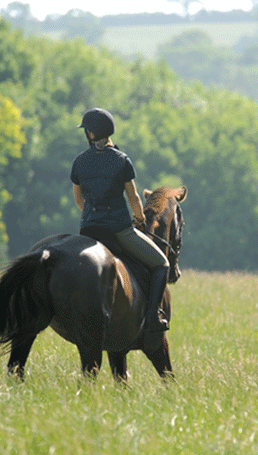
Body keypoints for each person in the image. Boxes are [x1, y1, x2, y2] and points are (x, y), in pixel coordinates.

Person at [70, 107, 170, 332]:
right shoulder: (122, 160)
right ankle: (153, 316)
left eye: (87, 130)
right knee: (162, 263)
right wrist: (140, 217)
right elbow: (133, 197)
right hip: (119, 230)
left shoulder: (79, 161)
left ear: (91, 134)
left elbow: (79, 200)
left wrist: (92, 216)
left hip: (88, 229)